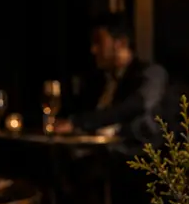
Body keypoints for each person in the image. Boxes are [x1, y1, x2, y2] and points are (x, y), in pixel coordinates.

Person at [60, 13, 169, 152]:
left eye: (99, 41)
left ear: (121, 43)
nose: (93, 50)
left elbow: (134, 106)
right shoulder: (99, 81)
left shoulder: (151, 74)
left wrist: (77, 123)